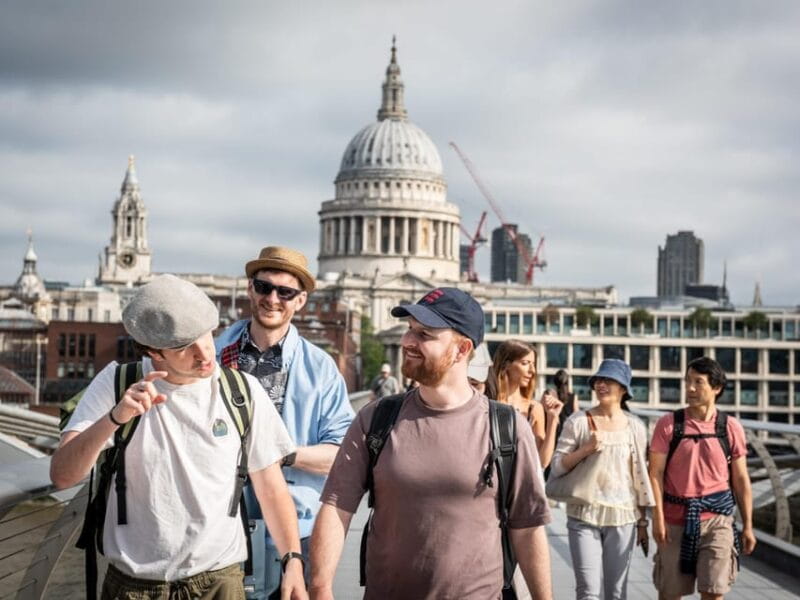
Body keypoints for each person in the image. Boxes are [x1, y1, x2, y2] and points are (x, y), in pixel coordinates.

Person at [51, 274, 307, 600]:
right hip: (135, 587)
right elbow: (63, 475)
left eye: (206, 336)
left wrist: (293, 560)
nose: (204, 353)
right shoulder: (115, 384)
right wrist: (115, 418)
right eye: (185, 347)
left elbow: (271, 487)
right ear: (154, 352)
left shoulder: (242, 391)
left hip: (219, 582)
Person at [309, 287, 553, 600]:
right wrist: (320, 586)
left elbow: (528, 528)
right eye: (410, 329)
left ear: (462, 349)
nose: (407, 341)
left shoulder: (508, 427)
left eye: (424, 334)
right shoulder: (376, 418)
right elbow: (336, 505)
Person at [215, 247, 354, 598]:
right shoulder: (212, 356)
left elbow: (344, 455)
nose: (272, 299)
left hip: (294, 535)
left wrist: (282, 454)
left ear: (301, 300)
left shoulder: (321, 369)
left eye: (285, 292)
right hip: (218, 529)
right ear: (250, 288)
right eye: (264, 287)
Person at [649, 356, 756, 600]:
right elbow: (655, 473)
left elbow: (740, 478)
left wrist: (748, 526)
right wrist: (657, 518)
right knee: (669, 593)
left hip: (718, 520)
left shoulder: (730, 428)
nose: (690, 388)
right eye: (688, 381)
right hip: (675, 520)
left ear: (716, 388)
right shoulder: (668, 424)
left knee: (714, 592)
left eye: (698, 382)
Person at [550, 358, 655, 600]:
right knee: (588, 591)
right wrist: (585, 449)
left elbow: (639, 477)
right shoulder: (578, 421)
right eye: (598, 380)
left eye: (609, 380)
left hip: (623, 518)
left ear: (624, 388)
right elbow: (556, 467)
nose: (601, 385)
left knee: (616, 593)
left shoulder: (635, 427)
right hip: (583, 514)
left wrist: (642, 523)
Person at [489, 339, 564, 468]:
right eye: (525, 363)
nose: (532, 370)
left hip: (519, 480)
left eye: (533, 364)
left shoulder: (534, 408)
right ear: (506, 365)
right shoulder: (486, 403)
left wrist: (552, 418)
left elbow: (542, 462)